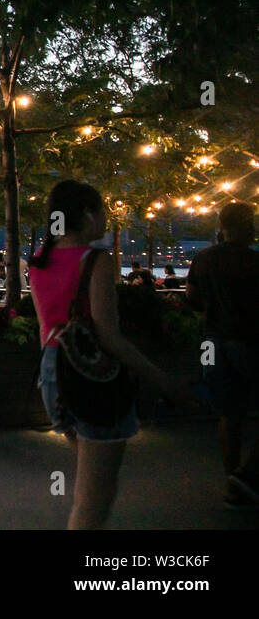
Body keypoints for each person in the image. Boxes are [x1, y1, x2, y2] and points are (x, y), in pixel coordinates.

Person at [30, 180, 194, 528]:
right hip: (92, 379)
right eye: (102, 211)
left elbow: (47, 327)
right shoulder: (97, 261)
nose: (106, 219)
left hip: (53, 373)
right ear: (88, 215)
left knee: (89, 483)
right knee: (94, 497)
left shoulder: (39, 263)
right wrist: (162, 379)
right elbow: (109, 336)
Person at [187, 203, 259, 507]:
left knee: (229, 415)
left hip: (212, 343)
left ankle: (233, 482)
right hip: (249, 343)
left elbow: (192, 298)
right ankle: (246, 474)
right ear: (247, 226)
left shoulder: (204, 258)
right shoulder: (254, 262)